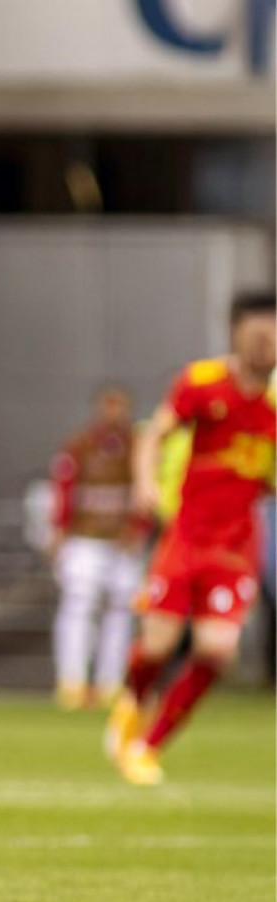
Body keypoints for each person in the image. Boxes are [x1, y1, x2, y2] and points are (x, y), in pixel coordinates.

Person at [105, 291, 275, 786]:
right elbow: (153, 435)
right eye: (258, 335)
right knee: (157, 643)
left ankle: (147, 746)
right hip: (186, 535)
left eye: (274, 336)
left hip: (237, 544)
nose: (267, 345)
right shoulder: (202, 382)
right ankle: (133, 700)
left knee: (217, 649)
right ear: (236, 334)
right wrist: (144, 482)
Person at [46, 385, 145, 710]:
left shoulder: (138, 446)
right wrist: (59, 531)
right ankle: (72, 681)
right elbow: (63, 488)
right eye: (109, 405)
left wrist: (138, 528)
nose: (114, 412)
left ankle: (110, 682)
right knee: (78, 605)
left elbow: (146, 489)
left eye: (120, 405)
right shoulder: (80, 445)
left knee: (121, 610)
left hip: (122, 542)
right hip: (84, 538)